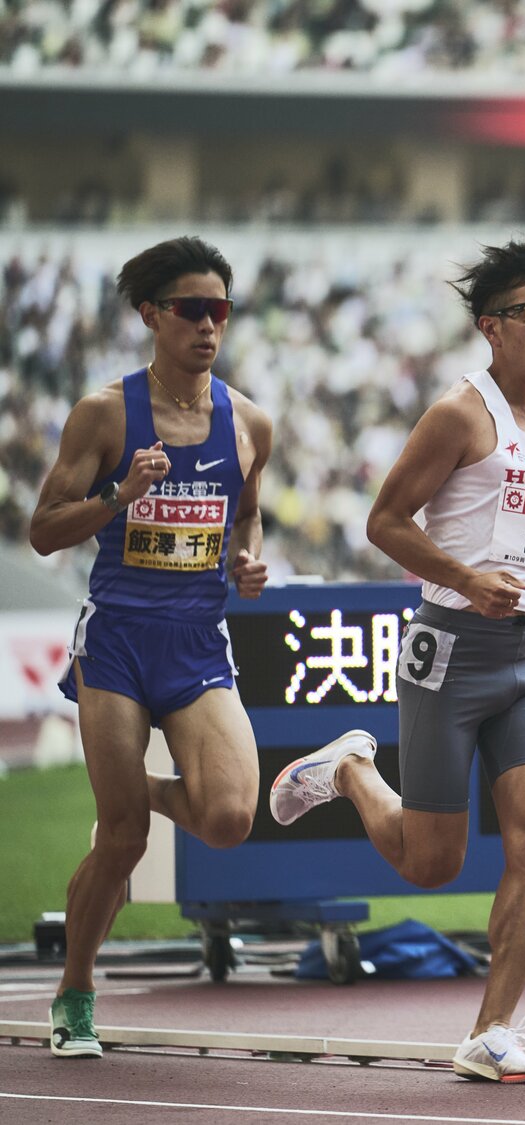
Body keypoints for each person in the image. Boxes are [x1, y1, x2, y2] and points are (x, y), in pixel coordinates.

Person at [269, 240, 525, 1084]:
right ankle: (353, 769)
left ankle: (493, 1029)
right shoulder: (459, 415)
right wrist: (467, 580)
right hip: (452, 649)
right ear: (491, 327)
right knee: (433, 860)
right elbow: (386, 521)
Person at [29, 236, 273, 1059]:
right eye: (192, 310)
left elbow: (247, 514)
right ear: (151, 316)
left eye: (221, 310)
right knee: (122, 835)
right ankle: (75, 990)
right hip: (121, 639)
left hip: (198, 639)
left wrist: (247, 558)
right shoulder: (105, 413)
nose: (210, 325)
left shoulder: (250, 423)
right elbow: (40, 530)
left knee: (231, 816)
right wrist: (117, 495)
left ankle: (146, 787)